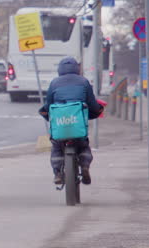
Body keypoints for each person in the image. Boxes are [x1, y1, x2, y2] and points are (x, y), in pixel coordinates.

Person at [39, 57, 103, 185]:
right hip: (78, 124)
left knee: (56, 146)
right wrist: (97, 111)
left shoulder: (54, 83)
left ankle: (57, 173)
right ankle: (84, 166)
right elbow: (92, 104)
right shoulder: (84, 82)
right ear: (77, 69)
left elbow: (49, 105)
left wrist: (45, 115)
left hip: (60, 124)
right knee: (83, 145)